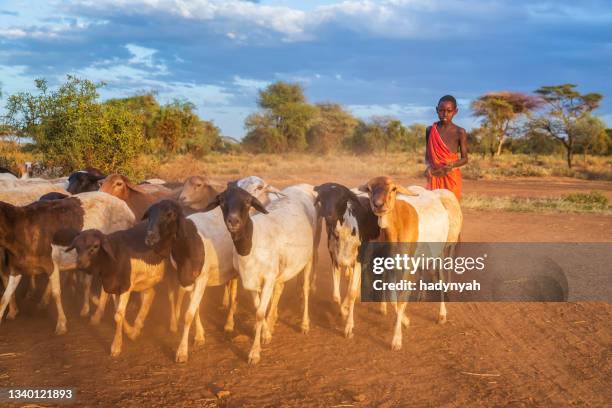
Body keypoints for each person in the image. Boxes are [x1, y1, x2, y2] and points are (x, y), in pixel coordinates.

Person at [424, 95, 468, 200]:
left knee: (451, 209)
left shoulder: (460, 132)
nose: (445, 114)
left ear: (455, 111)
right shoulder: (430, 130)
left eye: (449, 111)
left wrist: (452, 165)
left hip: (451, 176)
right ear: (436, 110)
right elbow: (428, 154)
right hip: (434, 175)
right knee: (433, 209)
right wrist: (428, 167)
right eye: (441, 110)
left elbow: (465, 159)